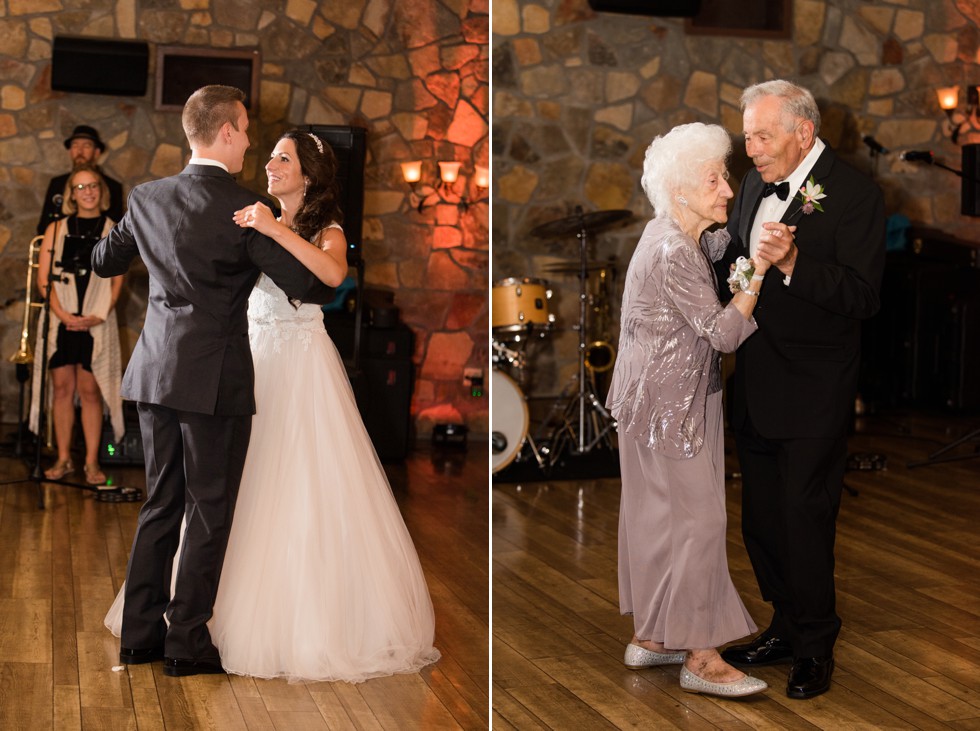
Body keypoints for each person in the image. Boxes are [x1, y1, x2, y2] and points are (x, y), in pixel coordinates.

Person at [104, 129, 441, 682]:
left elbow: (329, 279)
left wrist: (271, 229)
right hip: (241, 361)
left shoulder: (319, 226)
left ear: (308, 174)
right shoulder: (245, 212)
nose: (270, 165)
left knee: (291, 487)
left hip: (299, 366)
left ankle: (283, 621)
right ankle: (192, 622)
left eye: (283, 158)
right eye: (270, 155)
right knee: (222, 493)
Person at [91, 85, 335, 678]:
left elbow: (102, 260)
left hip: (155, 372)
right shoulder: (244, 207)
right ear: (225, 132)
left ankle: (139, 637)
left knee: (160, 504)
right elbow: (310, 288)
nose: (251, 141)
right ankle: (187, 643)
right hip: (214, 381)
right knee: (208, 509)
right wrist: (277, 232)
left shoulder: (147, 197)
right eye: (247, 130)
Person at [719, 80, 885, 700]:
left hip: (815, 388)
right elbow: (736, 265)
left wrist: (793, 265)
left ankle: (816, 644)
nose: (752, 149)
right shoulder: (758, 184)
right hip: (756, 380)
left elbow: (864, 297)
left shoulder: (857, 195)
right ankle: (784, 626)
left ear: (803, 132)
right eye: (747, 137)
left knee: (805, 518)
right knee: (762, 521)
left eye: (762, 136)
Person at [606, 122, 770, 699]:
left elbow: (721, 245)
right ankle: (701, 656)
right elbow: (725, 333)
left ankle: (653, 636)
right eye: (715, 178)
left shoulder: (668, 233)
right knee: (702, 523)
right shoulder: (674, 250)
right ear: (680, 190)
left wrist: (746, 239)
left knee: (658, 518)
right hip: (673, 409)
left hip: (646, 402)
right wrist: (760, 273)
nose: (727, 188)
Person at [29, 165, 124, 486]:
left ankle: (93, 462)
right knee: (61, 390)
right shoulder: (56, 229)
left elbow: (116, 283)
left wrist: (97, 314)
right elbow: (44, 280)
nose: (88, 192)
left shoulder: (114, 229)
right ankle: (64, 457)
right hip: (61, 319)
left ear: (102, 190)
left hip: (95, 321)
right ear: (71, 194)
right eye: (80, 187)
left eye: (93, 186)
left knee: (89, 391)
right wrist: (63, 314)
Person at [37, 125, 124, 236]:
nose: (80, 151)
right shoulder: (57, 184)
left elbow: (117, 229)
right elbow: (44, 224)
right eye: (75, 145)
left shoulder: (113, 187)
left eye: (86, 146)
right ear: (70, 152)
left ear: (97, 152)